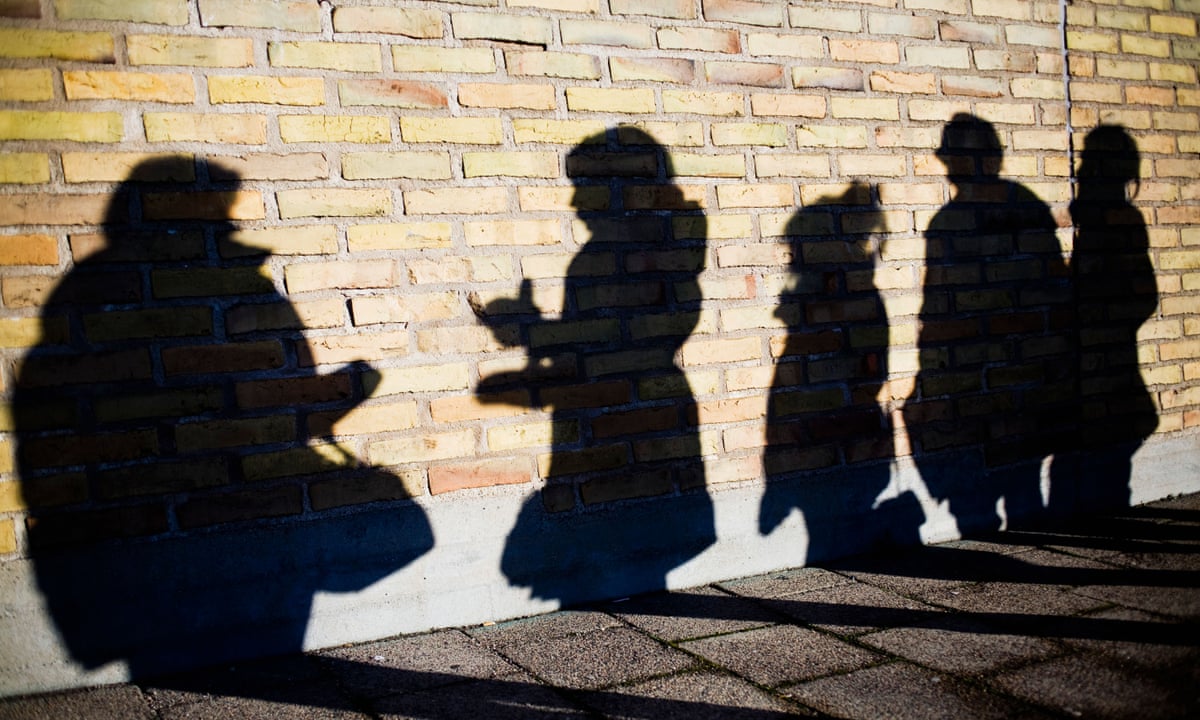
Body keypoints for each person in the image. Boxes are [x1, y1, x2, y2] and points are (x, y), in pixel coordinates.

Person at [14, 158, 431, 677]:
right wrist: (343, 391)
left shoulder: (77, 304)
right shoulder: (230, 282)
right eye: (225, 207)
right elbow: (277, 404)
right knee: (263, 677)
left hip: (134, 520)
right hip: (245, 501)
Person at [476, 128, 716, 603]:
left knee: (629, 505)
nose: (575, 201)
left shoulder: (604, 258)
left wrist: (528, 332)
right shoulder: (667, 243)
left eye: (583, 185)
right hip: (637, 396)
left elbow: (605, 337)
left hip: (623, 398)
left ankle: (634, 586)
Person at [903, 114, 1071, 533]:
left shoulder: (950, 220)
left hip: (985, 367)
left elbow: (934, 309)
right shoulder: (1027, 206)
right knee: (1023, 478)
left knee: (999, 482)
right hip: (1021, 361)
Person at [760, 183, 922, 562]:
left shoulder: (862, 295)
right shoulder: (839, 292)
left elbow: (873, 374)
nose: (794, 256)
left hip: (848, 433)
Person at [1050, 126, 1158, 514]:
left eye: (1088, 163)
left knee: (1108, 465)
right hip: (1096, 364)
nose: (1081, 170)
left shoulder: (1121, 220)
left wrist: (1103, 312)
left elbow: (1146, 294)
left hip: (1112, 364)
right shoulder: (1098, 219)